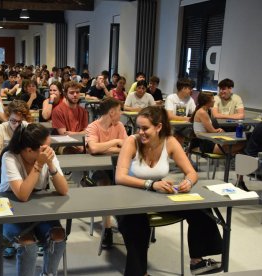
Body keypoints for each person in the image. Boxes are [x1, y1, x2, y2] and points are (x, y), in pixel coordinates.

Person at [115, 106, 222, 276]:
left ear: (158, 127)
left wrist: (188, 182)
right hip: (129, 196)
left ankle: (197, 261)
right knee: (136, 225)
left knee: (201, 209)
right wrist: (151, 184)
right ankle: (138, 273)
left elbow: (191, 172)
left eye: (145, 128)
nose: (140, 132)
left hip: (157, 194)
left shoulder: (170, 142)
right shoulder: (132, 141)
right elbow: (120, 177)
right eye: (138, 127)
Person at [0, 123, 68, 276]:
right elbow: (22, 195)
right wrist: (39, 164)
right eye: (46, 147)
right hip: (12, 212)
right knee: (28, 245)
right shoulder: (10, 157)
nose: (50, 151)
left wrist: (50, 164)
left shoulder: (47, 156)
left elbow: (63, 190)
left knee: (58, 237)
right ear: (29, 150)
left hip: (38, 212)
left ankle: (48, 274)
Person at [85, 97, 127, 248]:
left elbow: (127, 148)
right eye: (119, 110)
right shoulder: (93, 127)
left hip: (117, 168)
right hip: (97, 170)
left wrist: (105, 148)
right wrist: (115, 143)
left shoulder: (120, 126)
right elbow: (94, 149)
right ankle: (107, 229)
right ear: (111, 112)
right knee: (105, 184)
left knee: (127, 185)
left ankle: (126, 222)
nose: (121, 114)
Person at [52, 81, 88, 153]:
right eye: (71, 93)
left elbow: (87, 132)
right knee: (69, 150)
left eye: (77, 92)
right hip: (63, 143)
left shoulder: (83, 111)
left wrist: (74, 134)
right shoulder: (58, 110)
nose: (75, 95)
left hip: (80, 141)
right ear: (65, 94)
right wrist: (80, 135)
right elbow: (64, 134)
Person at [165, 78, 196, 144]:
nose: (191, 91)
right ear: (183, 88)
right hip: (171, 126)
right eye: (190, 89)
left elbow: (195, 114)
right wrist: (187, 119)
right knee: (174, 134)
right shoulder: (171, 98)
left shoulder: (190, 99)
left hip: (184, 127)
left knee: (194, 133)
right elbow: (170, 116)